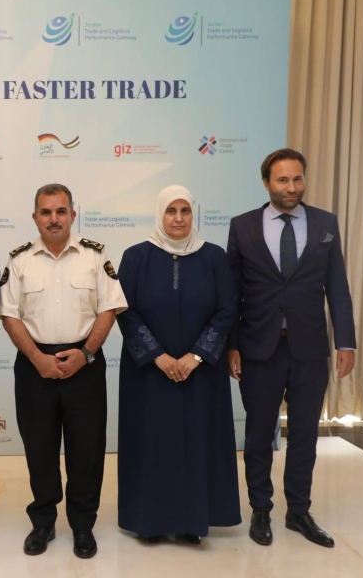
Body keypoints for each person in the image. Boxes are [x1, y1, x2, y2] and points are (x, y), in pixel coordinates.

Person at [227, 148, 356, 548]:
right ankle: (260, 509)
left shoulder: (325, 224)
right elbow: (231, 293)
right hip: (258, 349)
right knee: (258, 435)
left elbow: (337, 287)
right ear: (267, 182)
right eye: (282, 179)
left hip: (310, 349)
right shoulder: (243, 226)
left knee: (304, 436)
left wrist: (346, 341)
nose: (291, 187)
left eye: (297, 178)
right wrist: (231, 345)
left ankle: (299, 511)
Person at [0, 184, 127, 559]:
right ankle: (43, 522)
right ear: (35, 217)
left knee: (87, 450)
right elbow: (9, 314)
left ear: (73, 215)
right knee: (40, 449)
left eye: (61, 211)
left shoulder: (94, 256)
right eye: (46, 212)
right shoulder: (19, 260)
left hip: (84, 364)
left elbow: (109, 309)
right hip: (34, 365)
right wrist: (38, 358)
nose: (54, 219)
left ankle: (83, 525)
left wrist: (86, 353)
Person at [115, 185, 241, 545]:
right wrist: (158, 356)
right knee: (152, 442)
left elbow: (226, 310)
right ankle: (150, 522)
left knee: (196, 443)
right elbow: (125, 310)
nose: (178, 219)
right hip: (148, 373)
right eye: (171, 211)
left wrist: (196, 356)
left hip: (201, 374)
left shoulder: (213, 256)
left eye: (185, 211)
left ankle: (192, 522)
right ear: (160, 214)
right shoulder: (136, 257)